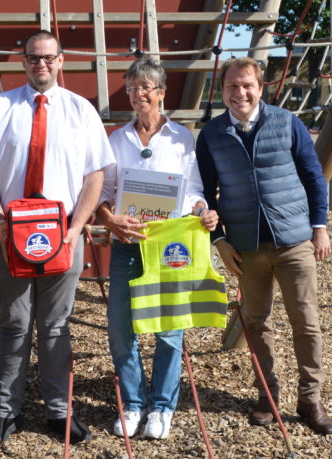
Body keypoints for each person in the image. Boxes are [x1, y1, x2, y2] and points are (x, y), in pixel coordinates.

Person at [0, 30, 115, 446]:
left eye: (49, 57)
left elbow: (95, 176)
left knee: (55, 325)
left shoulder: (80, 111)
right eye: (34, 58)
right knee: (14, 324)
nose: (41, 65)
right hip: (10, 234)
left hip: (64, 234)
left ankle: (59, 411)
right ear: (23, 61)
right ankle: (5, 411)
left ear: (61, 60)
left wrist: (75, 229)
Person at [195, 57, 332, 436]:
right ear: (221, 90)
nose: (239, 93)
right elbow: (205, 193)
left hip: (293, 241)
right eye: (231, 87)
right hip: (246, 245)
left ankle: (310, 398)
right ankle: (266, 394)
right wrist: (219, 240)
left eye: (246, 86)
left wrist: (319, 228)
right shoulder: (211, 134)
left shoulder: (287, 123)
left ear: (260, 88)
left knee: (306, 323)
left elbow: (312, 176)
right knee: (256, 323)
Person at [94, 59, 219, 441]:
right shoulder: (116, 140)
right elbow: (104, 194)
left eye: (146, 87)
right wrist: (109, 219)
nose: (138, 94)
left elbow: (194, 189)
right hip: (128, 245)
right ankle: (133, 403)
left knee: (168, 329)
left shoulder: (182, 138)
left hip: (169, 247)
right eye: (132, 88)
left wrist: (203, 211)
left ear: (162, 92)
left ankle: (162, 406)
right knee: (120, 328)